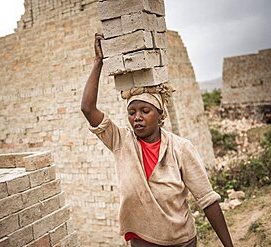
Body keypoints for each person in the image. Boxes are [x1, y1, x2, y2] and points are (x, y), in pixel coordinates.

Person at [81, 33, 234, 247]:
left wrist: (229, 245)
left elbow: (207, 199)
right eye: (132, 112)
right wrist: (98, 62)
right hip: (142, 241)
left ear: (160, 114)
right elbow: (87, 108)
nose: (137, 118)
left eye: (145, 111)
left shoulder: (180, 148)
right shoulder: (121, 141)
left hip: (182, 241)